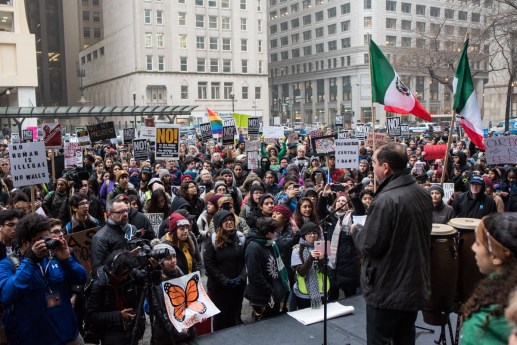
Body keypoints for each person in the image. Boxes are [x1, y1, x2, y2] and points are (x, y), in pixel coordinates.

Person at [351, 142, 433, 345]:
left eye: (374, 163)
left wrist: (356, 231)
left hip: (387, 288)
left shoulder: (385, 200)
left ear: (385, 167)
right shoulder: (422, 192)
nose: (373, 168)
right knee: (405, 337)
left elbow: (371, 245)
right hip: (412, 286)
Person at [0, 213, 87, 345]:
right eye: (40, 239)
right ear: (25, 242)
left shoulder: (54, 257)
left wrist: (67, 261)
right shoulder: (7, 265)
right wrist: (30, 261)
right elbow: (7, 295)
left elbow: (81, 278)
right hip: (35, 339)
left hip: (69, 335)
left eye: (47, 237)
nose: (46, 242)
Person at [461, 213, 517, 345]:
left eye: (478, 243)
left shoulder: (484, 323)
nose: (473, 247)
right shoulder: (502, 288)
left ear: (496, 256)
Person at [86, 250, 145, 345]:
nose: (124, 278)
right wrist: (119, 315)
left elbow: (148, 280)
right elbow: (92, 316)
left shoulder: (130, 274)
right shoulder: (99, 285)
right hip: (112, 333)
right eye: (120, 275)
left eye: (125, 274)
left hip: (132, 328)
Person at [203, 210, 246, 331]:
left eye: (231, 219)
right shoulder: (213, 241)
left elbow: (246, 260)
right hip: (219, 289)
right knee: (221, 319)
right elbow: (209, 265)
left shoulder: (240, 238)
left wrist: (241, 278)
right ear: (219, 223)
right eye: (225, 220)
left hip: (238, 286)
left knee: (235, 315)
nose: (229, 222)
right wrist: (225, 281)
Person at [245, 217, 291, 321]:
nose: (276, 234)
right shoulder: (253, 249)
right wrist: (271, 292)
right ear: (267, 232)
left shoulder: (270, 244)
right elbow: (255, 276)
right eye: (274, 231)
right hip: (262, 297)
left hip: (274, 294)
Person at [90, 194, 139, 275]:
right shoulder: (100, 238)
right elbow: (98, 271)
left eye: (127, 210)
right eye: (121, 212)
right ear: (109, 214)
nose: (126, 214)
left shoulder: (132, 229)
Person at [291, 222, 330, 310]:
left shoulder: (324, 247)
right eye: (309, 234)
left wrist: (321, 260)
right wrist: (310, 258)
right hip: (303, 293)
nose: (312, 236)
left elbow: (329, 271)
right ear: (304, 235)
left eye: (315, 233)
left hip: (322, 291)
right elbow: (301, 272)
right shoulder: (297, 249)